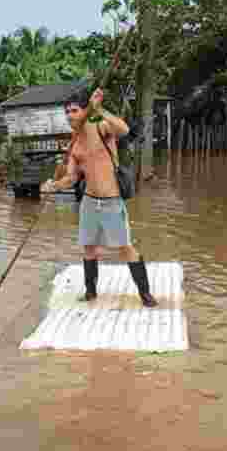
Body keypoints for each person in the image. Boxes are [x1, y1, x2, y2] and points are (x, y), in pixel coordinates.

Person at [41, 87, 157, 308]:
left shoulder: (101, 127)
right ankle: (91, 292)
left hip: (112, 201)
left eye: (74, 111)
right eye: (67, 112)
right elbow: (71, 178)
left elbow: (123, 129)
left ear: (84, 111)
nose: (69, 115)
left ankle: (145, 294)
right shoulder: (74, 144)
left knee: (125, 247)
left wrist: (99, 108)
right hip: (89, 202)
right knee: (88, 247)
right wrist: (53, 185)